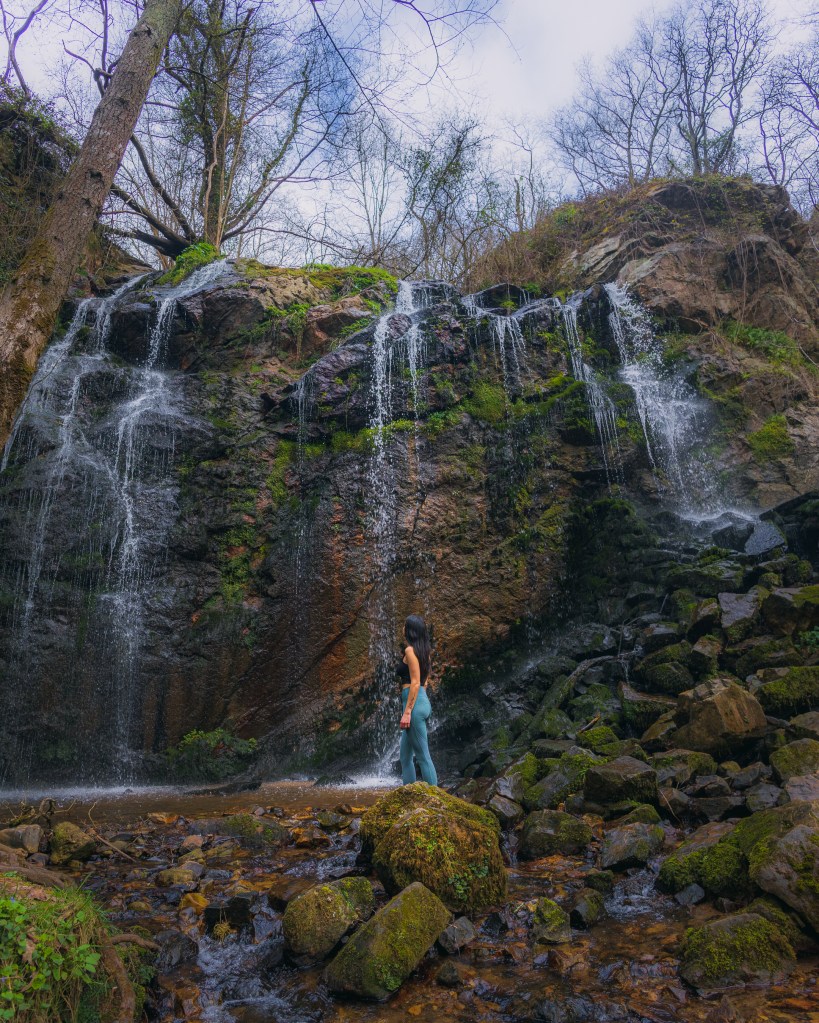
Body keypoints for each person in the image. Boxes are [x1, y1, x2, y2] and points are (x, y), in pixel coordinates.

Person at [397, 614, 438, 786]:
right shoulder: (424, 653)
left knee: (422, 756)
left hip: (413, 706)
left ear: (410, 630)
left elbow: (415, 683)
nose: (402, 628)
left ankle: (435, 797)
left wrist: (408, 712)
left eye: (404, 625)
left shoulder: (410, 651)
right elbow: (424, 682)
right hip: (421, 701)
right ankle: (409, 793)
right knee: (405, 757)